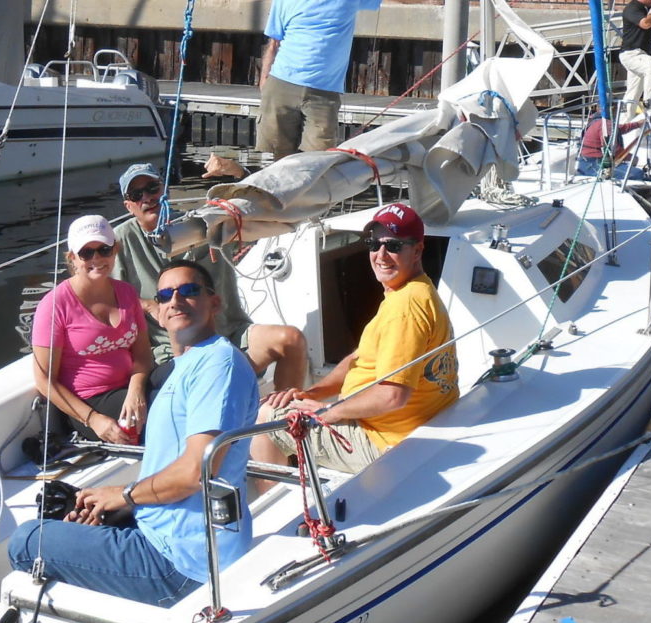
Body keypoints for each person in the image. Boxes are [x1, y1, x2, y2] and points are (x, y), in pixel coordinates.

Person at [9, 260, 260, 605]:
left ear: (214, 302)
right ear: (158, 313)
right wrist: (114, 508)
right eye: (165, 295)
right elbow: (174, 469)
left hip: (181, 561)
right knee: (72, 521)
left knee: (26, 541)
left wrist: (124, 495)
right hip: (166, 534)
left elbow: (196, 472)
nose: (176, 301)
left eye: (189, 291)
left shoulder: (218, 364)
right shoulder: (183, 367)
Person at [250, 203, 458, 474]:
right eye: (373, 244)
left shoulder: (404, 309)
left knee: (265, 418)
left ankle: (277, 498)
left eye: (393, 246)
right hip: (402, 425)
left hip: (384, 440)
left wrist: (331, 411)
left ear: (417, 250)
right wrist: (311, 394)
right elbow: (357, 359)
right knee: (286, 406)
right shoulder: (415, 290)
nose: (380, 255)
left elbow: (393, 395)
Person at [256, 0, 484, 158]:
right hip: (280, 85)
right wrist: (265, 81)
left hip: (323, 93)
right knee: (275, 161)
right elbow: (274, 42)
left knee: (317, 163)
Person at [113, 163, 308, 390]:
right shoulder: (119, 241)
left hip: (231, 334)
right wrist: (148, 305)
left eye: (152, 187)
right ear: (128, 206)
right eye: (136, 194)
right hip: (174, 349)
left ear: (164, 189)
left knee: (291, 340)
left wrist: (239, 173)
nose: (147, 197)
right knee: (209, 377)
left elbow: (267, 210)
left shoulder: (206, 222)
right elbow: (107, 297)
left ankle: (286, 408)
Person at [31, 215, 153, 445]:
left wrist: (136, 389)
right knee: (167, 404)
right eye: (86, 253)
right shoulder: (54, 305)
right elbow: (44, 379)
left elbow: (143, 354)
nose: (96, 258)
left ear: (115, 250)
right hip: (90, 402)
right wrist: (93, 419)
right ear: (72, 258)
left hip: (131, 388)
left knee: (188, 378)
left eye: (104, 250)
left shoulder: (126, 292)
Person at [576, 115, 645, 179]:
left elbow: (619, 128)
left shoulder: (599, 123)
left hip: (585, 164)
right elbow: (611, 149)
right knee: (638, 173)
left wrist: (637, 124)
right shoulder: (605, 125)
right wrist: (632, 158)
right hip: (594, 166)